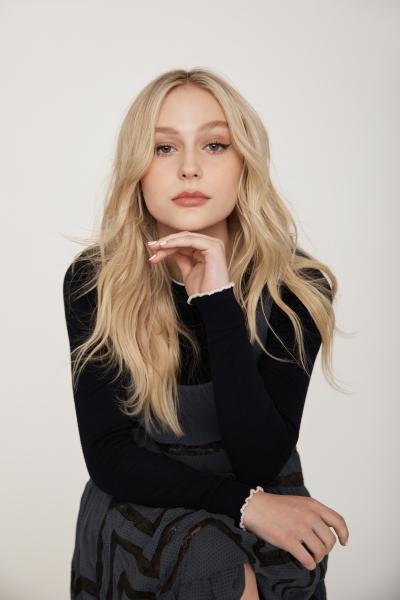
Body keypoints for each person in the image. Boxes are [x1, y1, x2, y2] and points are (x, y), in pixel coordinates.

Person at [63, 68, 349, 600]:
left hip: (267, 496)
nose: (190, 168)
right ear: (137, 169)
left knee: (261, 566)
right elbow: (109, 456)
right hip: (142, 501)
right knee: (214, 564)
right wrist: (244, 505)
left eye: (215, 145)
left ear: (245, 163)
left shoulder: (297, 286)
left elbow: (259, 461)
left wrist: (217, 300)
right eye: (164, 148)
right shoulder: (97, 280)